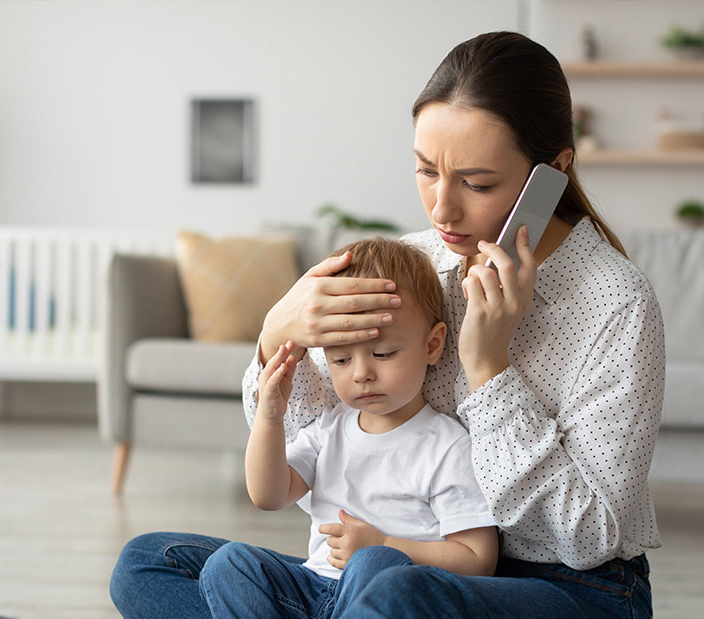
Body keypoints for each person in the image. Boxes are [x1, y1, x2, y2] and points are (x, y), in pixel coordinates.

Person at [111, 30, 663, 618]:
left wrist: (489, 369)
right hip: (376, 569)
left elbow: (587, 538)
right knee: (148, 564)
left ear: (551, 173)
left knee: (395, 589)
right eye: (426, 171)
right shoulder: (411, 266)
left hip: (566, 588)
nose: (442, 209)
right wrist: (276, 336)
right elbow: (314, 439)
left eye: (477, 183)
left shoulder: (616, 303)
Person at [199, 238, 498, 619]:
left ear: (433, 344)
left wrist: (385, 544)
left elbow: (478, 558)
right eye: (340, 359)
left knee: (373, 563)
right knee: (230, 563)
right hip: (312, 588)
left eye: (383, 353)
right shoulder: (330, 428)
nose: (362, 374)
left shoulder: (447, 446)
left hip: (388, 593)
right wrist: (269, 418)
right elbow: (268, 495)